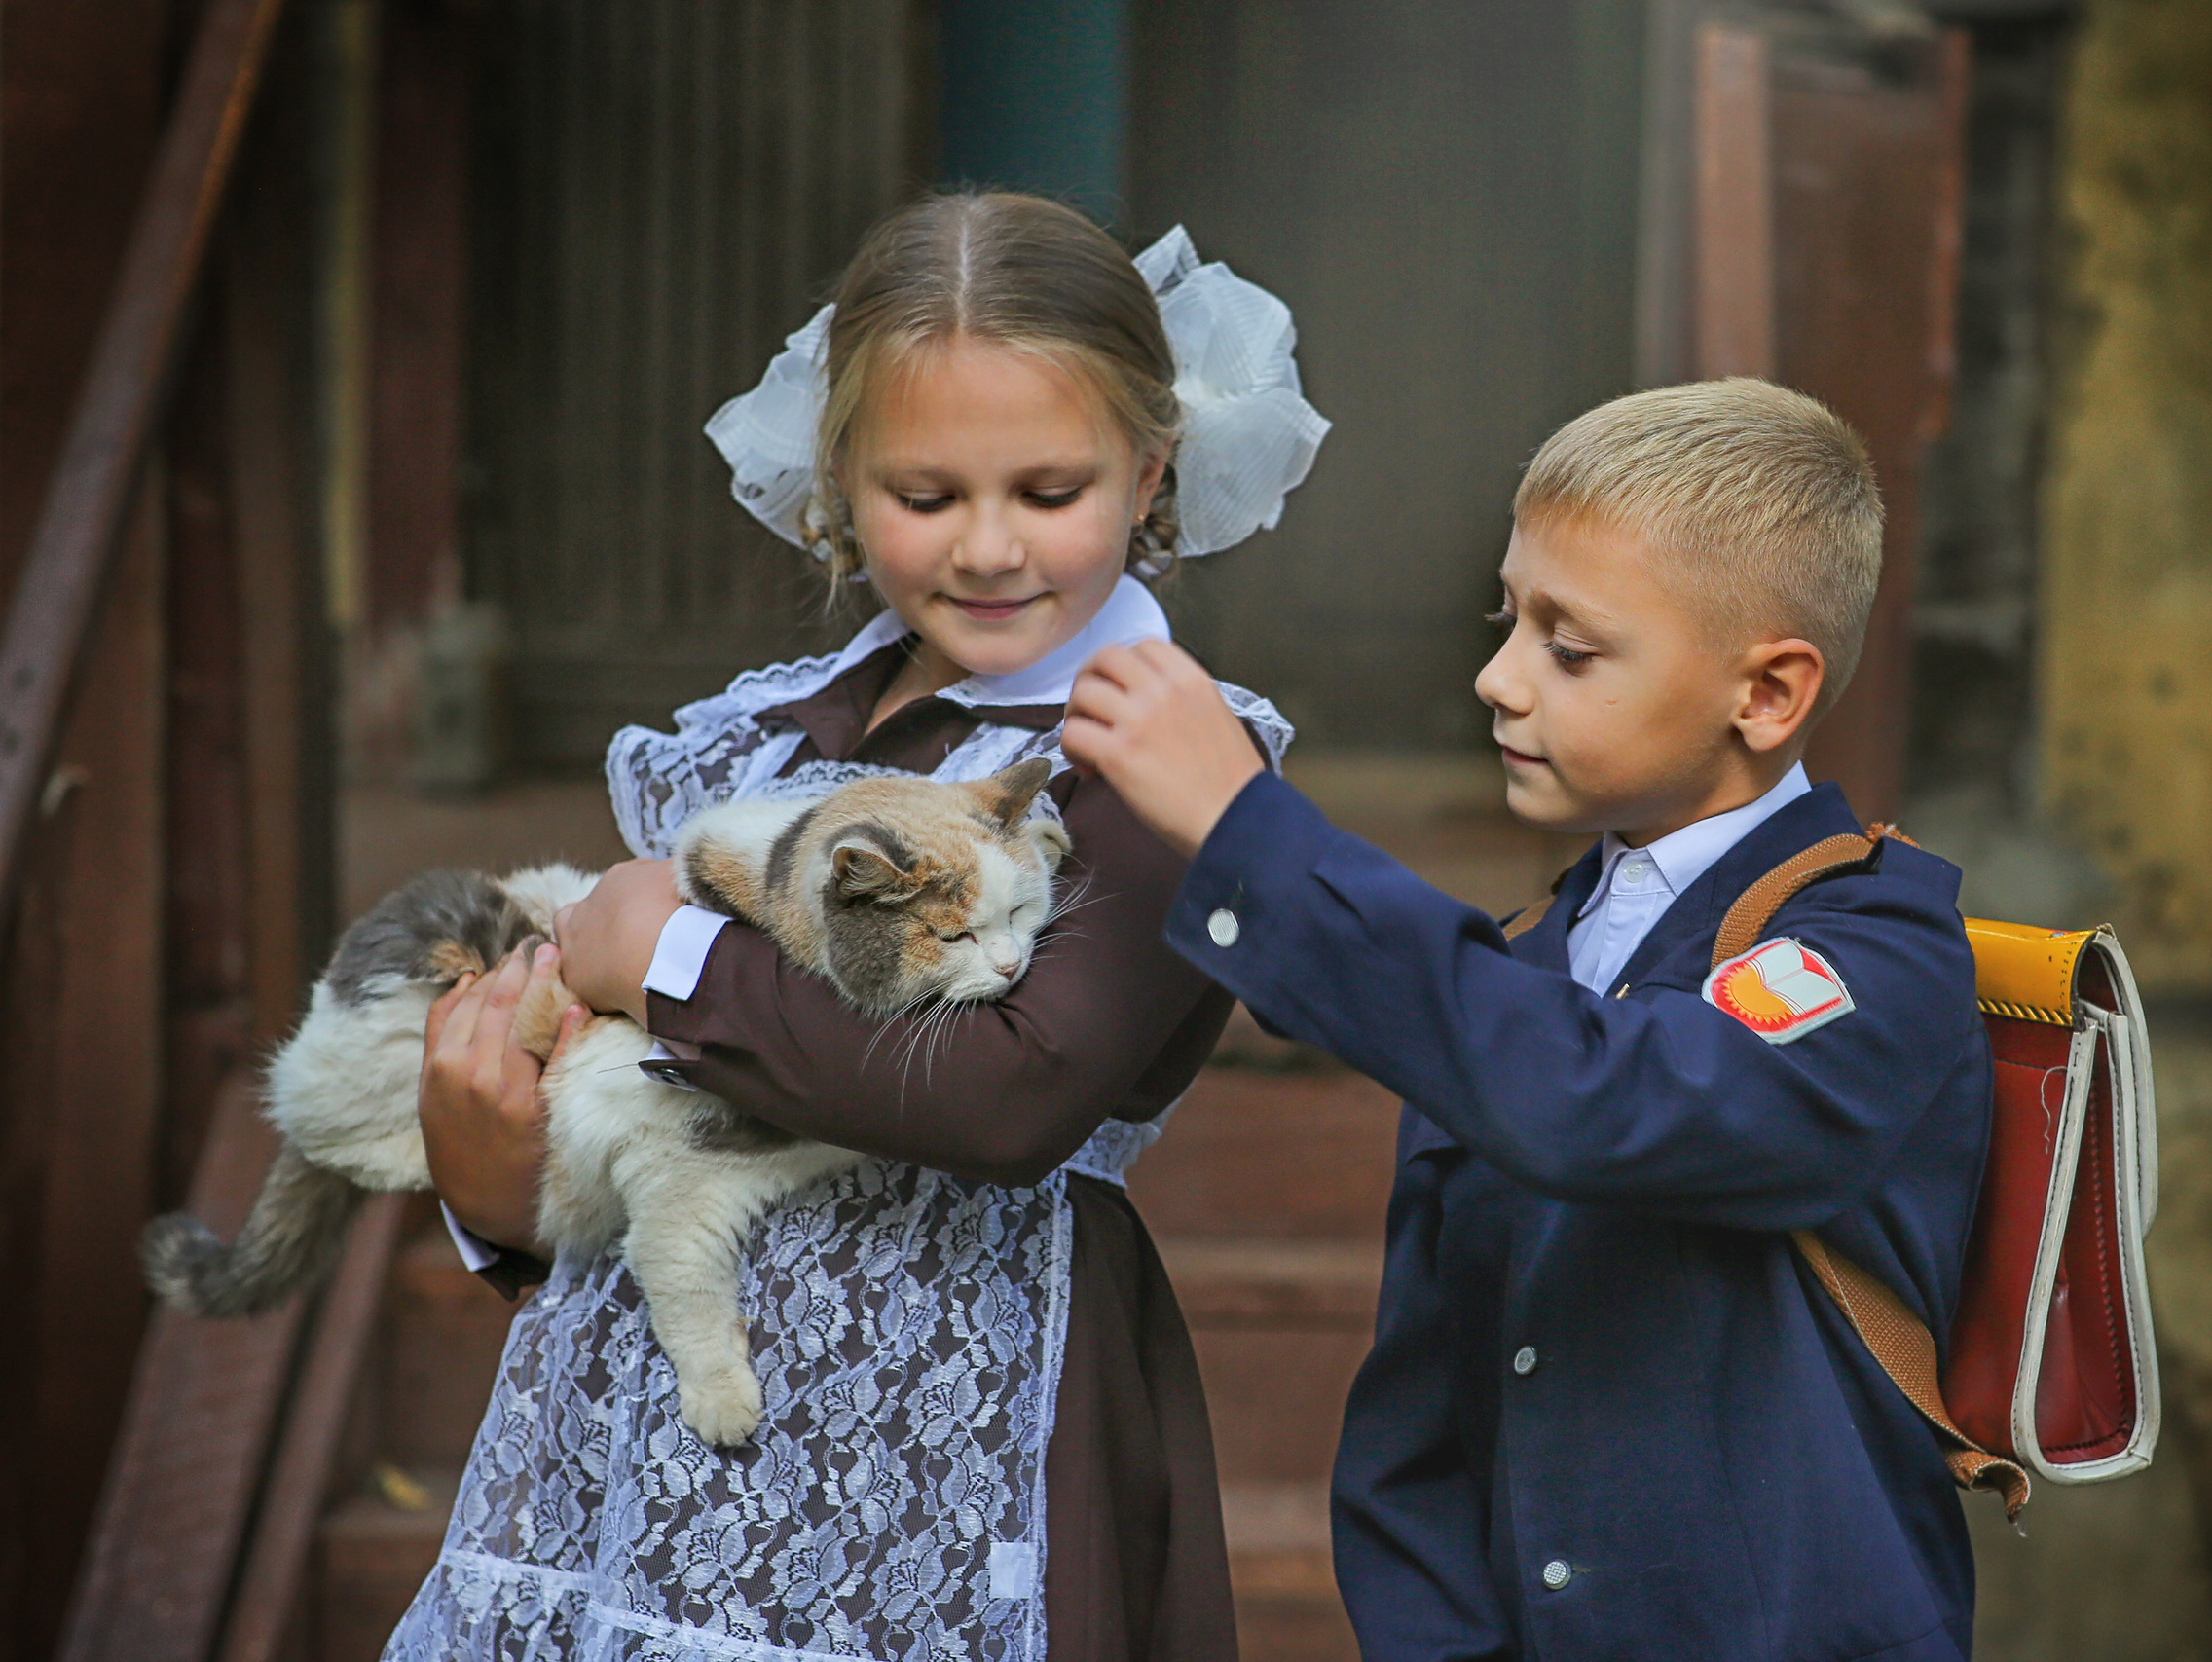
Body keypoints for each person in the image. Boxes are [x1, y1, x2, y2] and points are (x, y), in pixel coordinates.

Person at [392, 192, 1326, 1662]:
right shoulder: (755, 741)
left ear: (1150, 473)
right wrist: (493, 1187)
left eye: (1049, 488)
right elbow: (639, 1088)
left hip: (954, 1441)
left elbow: (1014, 1089)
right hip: (638, 1455)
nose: (991, 547)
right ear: (839, 484)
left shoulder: (1153, 758)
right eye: (928, 494)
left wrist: (679, 960)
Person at [1063, 379, 1994, 1661]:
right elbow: (1420, 1419)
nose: (1496, 680)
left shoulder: (1875, 947)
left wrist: (1258, 844)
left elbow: (1606, 1101)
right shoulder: (1525, 961)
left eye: (1570, 647)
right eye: (1507, 621)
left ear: (1769, 695)